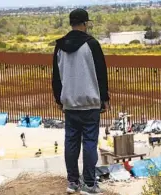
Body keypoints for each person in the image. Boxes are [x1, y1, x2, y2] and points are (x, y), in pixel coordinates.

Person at [52, 8, 110, 194]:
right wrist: (104, 98)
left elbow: (56, 77)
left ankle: (73, 182)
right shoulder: (92, 44)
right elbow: (101, 73)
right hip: (90, 102)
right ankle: (90, 184)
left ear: (71, 23)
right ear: (85, 23)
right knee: (90, 142)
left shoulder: (60, 46)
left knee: (71, 142)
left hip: (69, 102)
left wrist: (59, 99)